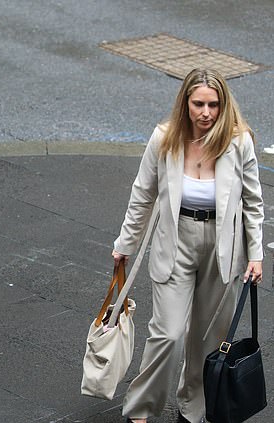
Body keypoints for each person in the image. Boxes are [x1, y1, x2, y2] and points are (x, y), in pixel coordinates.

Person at [112, 68, 264, 423]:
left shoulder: (239, 141)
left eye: (213, 104)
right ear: (186, 102)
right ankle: (141, 408)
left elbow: (254, 202)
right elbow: (142, 195)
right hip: (176, 239)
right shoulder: (164, 138)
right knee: (167, 334)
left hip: (223, 246)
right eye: (198, 104)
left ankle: (193, 409)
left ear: (223, 105)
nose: (206, 113)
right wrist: (125, 244)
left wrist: (255, 254)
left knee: (209, 338)